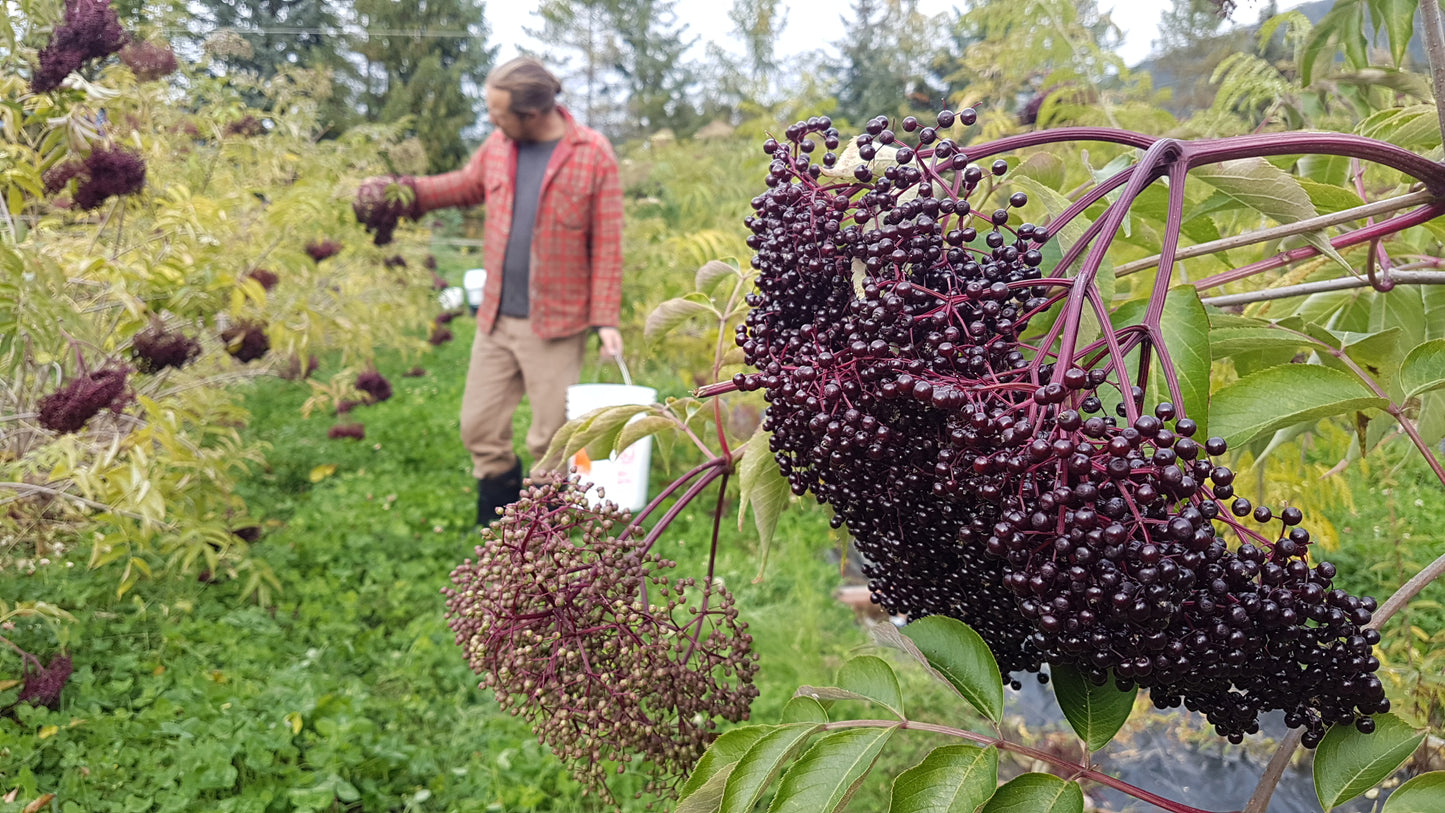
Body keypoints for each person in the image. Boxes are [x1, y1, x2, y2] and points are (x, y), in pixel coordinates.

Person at [373, 57, 624, 525]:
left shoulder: (593, 153)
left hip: (555, 325)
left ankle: (542, 540)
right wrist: (399, 194)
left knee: (551, 439)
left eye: (498, 112)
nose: (491, 120)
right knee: (479, 425)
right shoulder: (498, 146)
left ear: (531, 113)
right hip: (496, 320)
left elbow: (608, 243)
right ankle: (498, 522)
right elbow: (461, 186)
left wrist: (606, 318)